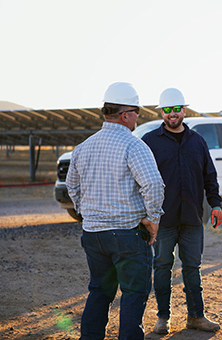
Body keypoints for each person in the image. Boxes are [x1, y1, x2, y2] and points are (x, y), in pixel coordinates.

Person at [66, 82, 165, 340]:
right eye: (137, 112)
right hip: (127, 236)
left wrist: (87, 214)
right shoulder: (134, 146)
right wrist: (152, 219)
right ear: (125, 115)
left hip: (93, 235)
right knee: (133, 294)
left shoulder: (83, 147)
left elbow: (72, 187)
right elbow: (153, 184)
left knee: (99, 292)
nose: (137, 117)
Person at [141, 88, 222, 334]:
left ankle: (196, 316)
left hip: (191, 218)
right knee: (163, 267)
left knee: (192, 268)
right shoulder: (150, 141)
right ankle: (163, 318)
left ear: (184, 110)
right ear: (162, 113)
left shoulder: (197, 141)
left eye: (176, 109)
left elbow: (210, 175)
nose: (172, 114)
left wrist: (216, 204)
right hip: (162, 220)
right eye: (167, 110)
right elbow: (140, 178)